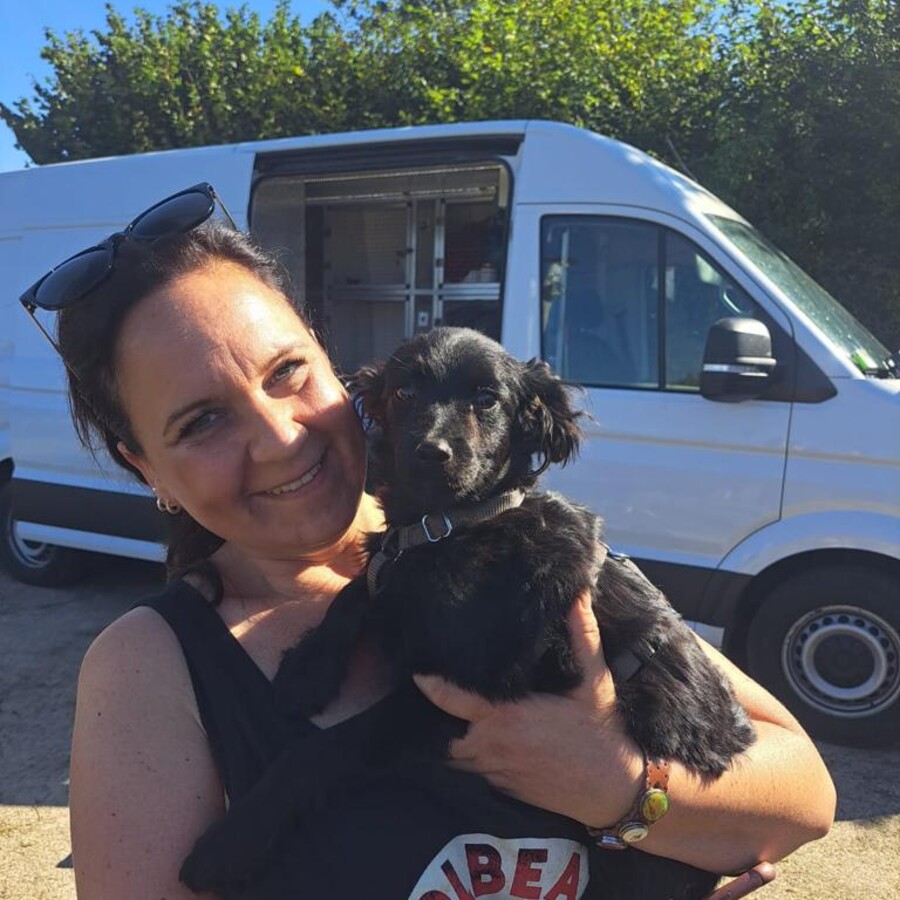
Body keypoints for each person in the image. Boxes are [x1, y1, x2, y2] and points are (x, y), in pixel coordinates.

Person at [20, 185, 834, 899]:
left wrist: (624, 789)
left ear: (336, 366)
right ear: (144, 465)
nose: (280, 439)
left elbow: (804, 795)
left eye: (287, 372)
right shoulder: (154, 666)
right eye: (201, 421)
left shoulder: (534, 551)